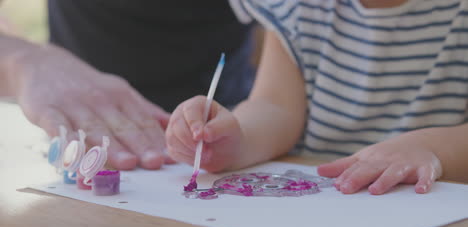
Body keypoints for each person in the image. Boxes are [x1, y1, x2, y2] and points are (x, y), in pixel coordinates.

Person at [166, 0, 468, 195]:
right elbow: (275, 106)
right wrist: (237, 139)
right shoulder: (298, 7)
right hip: (318, 219)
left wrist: (432, 149)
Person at [0, 0, 255, 170]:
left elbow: (280, 43)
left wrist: (256, 125)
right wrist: (20, 61)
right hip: (69, 133)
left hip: (222, 132)